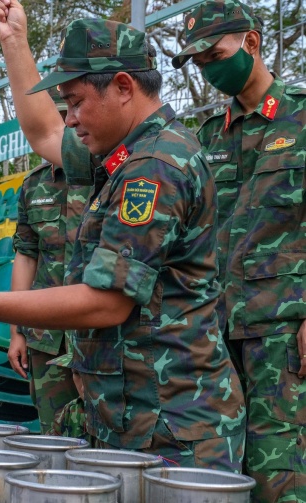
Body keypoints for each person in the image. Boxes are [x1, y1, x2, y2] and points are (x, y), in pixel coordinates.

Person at [0, 6, 247, 470]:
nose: (69, 119)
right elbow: (43, 132)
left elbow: (106, 302)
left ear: (123, 88)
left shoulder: (154, 165)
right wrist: (13, 40)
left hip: (174, 426)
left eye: (76, 102)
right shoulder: (127, 153)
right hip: (137, 416)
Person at [172, 1, 305, 499]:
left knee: (282, 471)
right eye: (200, 62)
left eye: (214, 54)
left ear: (251, 43)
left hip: (284, 337)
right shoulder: (205, 139)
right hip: (213, 335)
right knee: (216, 473)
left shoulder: (302, 119)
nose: (209, 69)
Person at [8, 89, 90, 433]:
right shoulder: (33, 186)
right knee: (52, 432)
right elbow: (26, 257)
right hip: (46, 336)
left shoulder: (107, 174)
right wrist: (16, 332)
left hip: (95, 330)